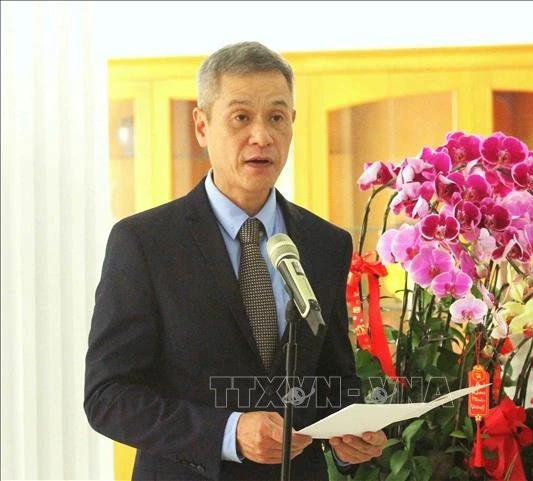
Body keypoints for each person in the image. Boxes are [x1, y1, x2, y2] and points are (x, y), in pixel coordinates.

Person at [84, 41, 386, 481]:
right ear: (202, 126)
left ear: (293, 125)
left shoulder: (325, 244)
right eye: (241, 117)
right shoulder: (144, 243)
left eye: (277, 117)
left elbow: (331, 379)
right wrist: (228, 432)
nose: (261, 136)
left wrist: (350, 438)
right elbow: (108, 397)